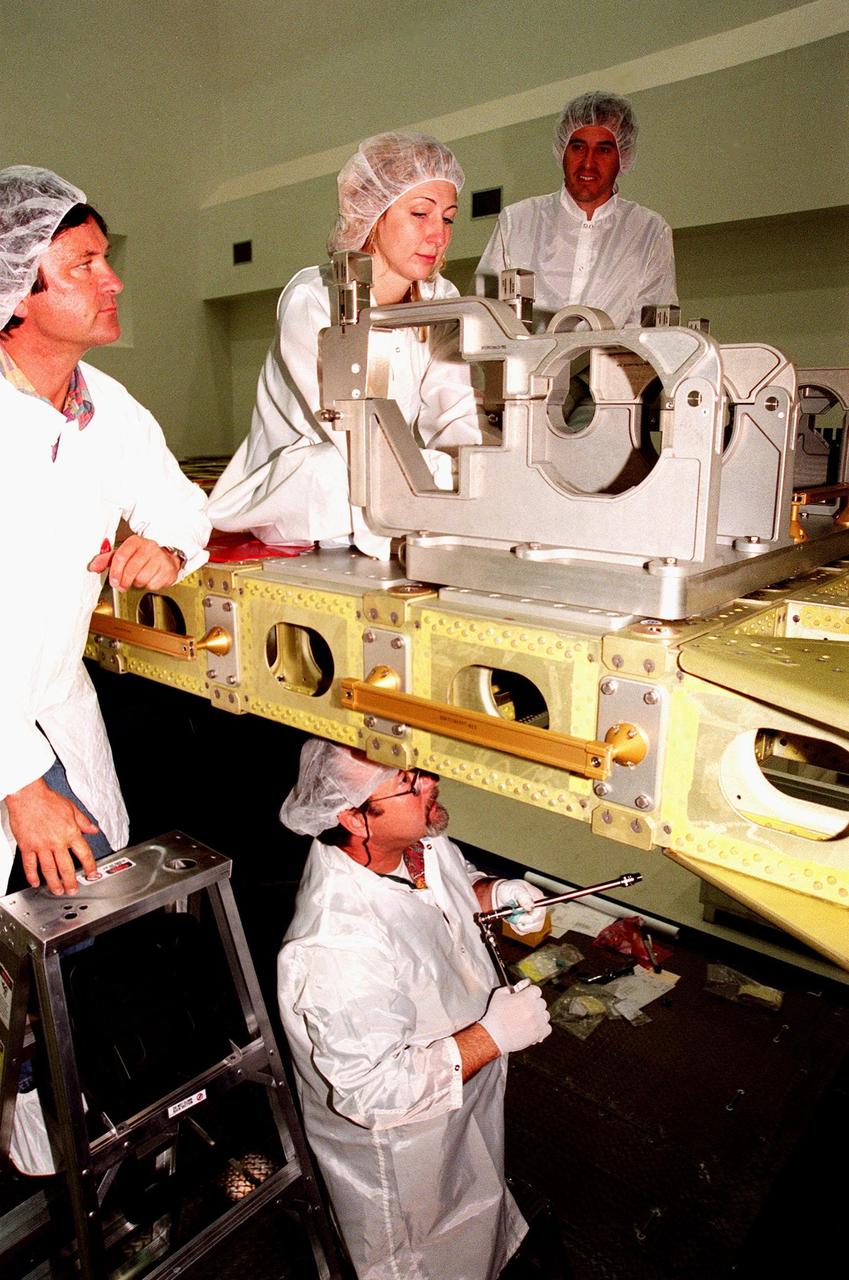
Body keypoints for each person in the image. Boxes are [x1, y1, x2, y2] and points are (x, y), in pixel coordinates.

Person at [0, 166, 211, 901]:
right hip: (6, 744)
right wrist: (18, 785)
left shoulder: (107, 405)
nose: (113, 280)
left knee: (80, 909)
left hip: (53, 707)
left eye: (105, 258)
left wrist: (169, 547)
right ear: (16, 295)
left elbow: (182, 506)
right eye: (84, 265)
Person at [277, 740, 552, 1280]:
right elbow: (371, 1091)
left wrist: (496, 894)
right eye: (409, 782)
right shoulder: (337, 943)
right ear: (354, 818)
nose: (430, 781)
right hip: (403, 1148)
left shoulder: (416, 843)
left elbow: (448, 890)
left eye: (419, 766)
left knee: (478, 1207)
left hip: (462, 1099)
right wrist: (492, 1036)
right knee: (427, 1254)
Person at [209, 132, 487, 559]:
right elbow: (348, 432)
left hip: (390, 467)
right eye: (420, 213)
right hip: (306, 478)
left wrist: (475, 481)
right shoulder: (315, 298)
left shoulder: (440, 298)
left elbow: (455, 412)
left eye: (448, 218)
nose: (438, 235)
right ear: (373, 215)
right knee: (333, 471)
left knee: (467, 469)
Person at [476, 91, 677, 330]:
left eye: (603, 150)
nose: (588, 163)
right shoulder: (517, 221)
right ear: (563, 151)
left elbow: (650, 334)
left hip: (609, 368)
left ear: (622, 156)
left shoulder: (649, 232)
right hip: (526, 367)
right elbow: (483, 320)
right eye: (578, 147)